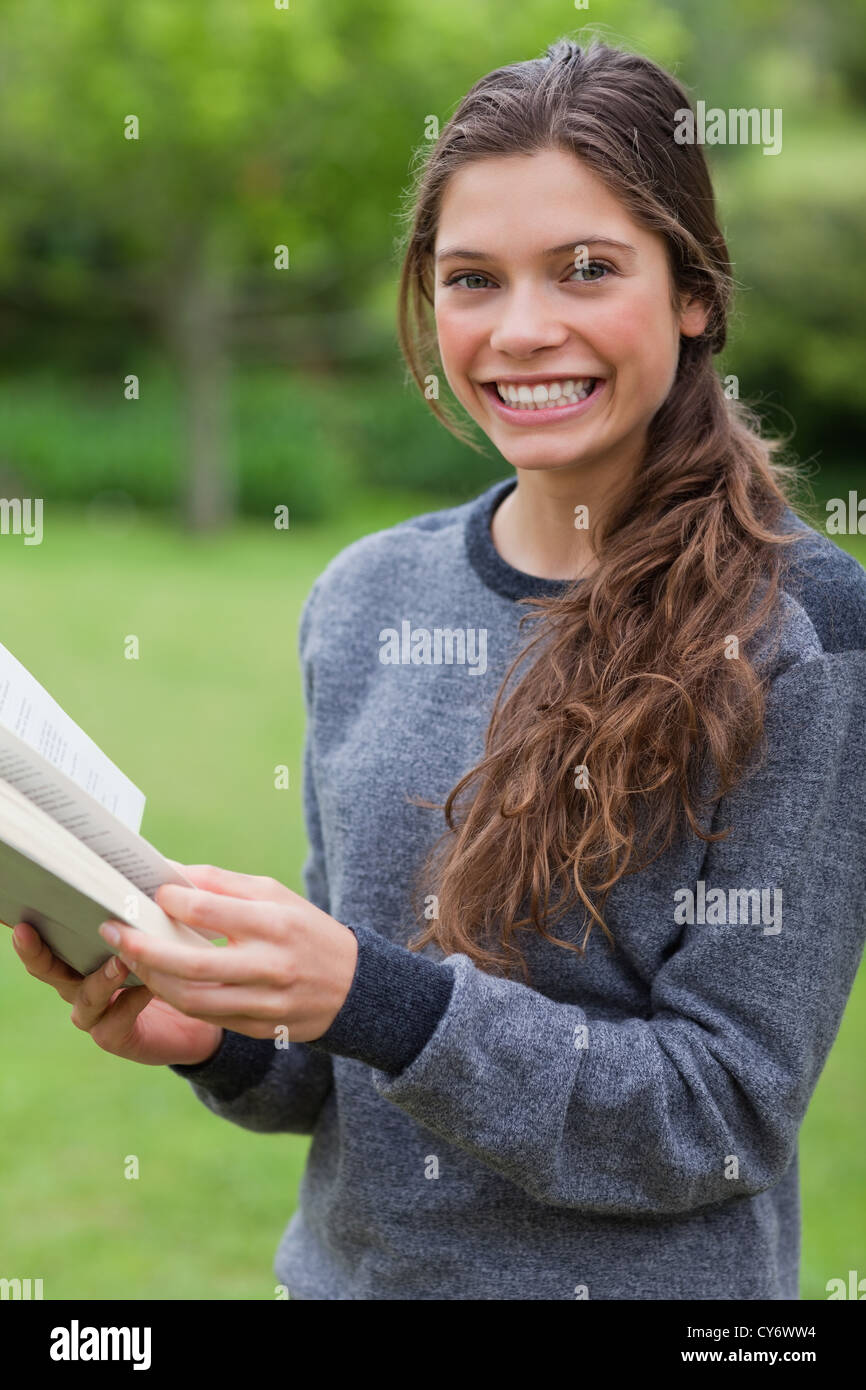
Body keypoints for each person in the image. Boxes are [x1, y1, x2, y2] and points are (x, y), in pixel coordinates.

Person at [11, 36, 866, 1301]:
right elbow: (347, 1065)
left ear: (693, 294)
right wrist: (222, 1039)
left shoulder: (804, 631)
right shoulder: (363, 596)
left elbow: (719, 1115)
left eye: (584, 269)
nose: (521, 330)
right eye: (471, 279)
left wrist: (374, 993)